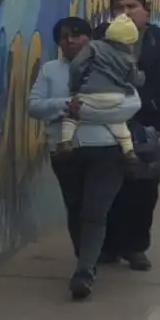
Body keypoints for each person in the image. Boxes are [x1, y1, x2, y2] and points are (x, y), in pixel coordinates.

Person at [28, 17, 142, 299]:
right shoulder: (51, 71)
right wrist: (66, 105)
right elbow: (35, 106)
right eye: (64, 37)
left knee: (94, 211)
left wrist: (86, 111)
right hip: (65, 152)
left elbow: (132, 103)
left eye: (77, 35)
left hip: (107, 151)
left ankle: (84, 272)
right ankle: (86, 257)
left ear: (90, 39)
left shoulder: (113, 62)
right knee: (76, 208)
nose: (70, 41)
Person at [101, 0, 160, 272]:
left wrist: (158, 101)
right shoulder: (98, 38)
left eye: (132, 6)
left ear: (145, 10)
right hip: (104, 126)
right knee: (105, 189)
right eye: (120, 7)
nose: (126, 13)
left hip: (147, 128)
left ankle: (136, 247)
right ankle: (107, 246)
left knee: (143, 190)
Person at [58, 14, 143, 168]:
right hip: (116, 97)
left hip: (90, 94)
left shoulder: (94, 46)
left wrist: (75, 86)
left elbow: (77, 66)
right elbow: (135, 80)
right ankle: (129, 151)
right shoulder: (129, 58)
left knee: (72, 114)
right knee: (118, 122)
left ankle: (65, 141)